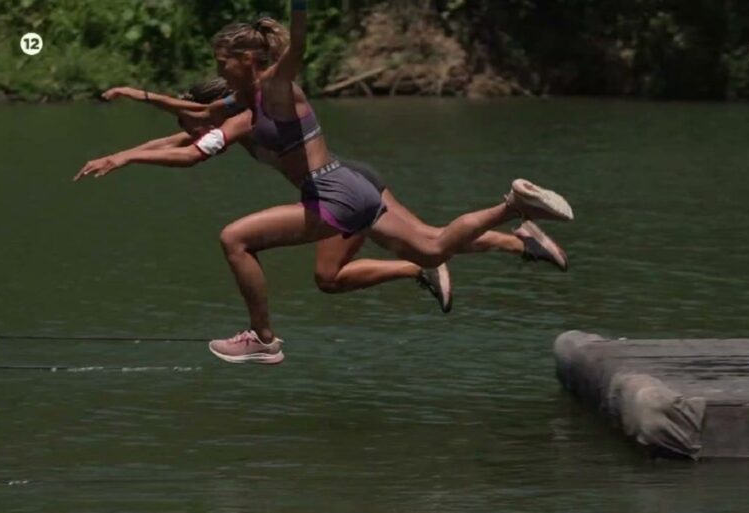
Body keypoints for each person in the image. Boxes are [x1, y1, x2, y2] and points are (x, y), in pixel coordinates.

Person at [75, 2, 573, 365]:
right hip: (348, 184)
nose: (218, 67)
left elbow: (194, 147)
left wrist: (299, 8)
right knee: (432, 245)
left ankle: (262, 339)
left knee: (236, 239)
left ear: (247, 59)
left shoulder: (270, 90)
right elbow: (188, 125)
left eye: (222, 60)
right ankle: (513, 209)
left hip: (332, 190)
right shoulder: (237, 105)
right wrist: (128, 136)